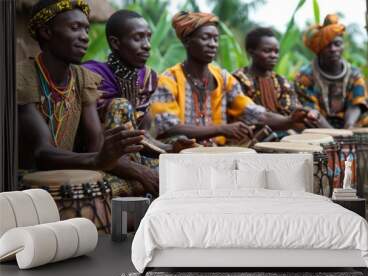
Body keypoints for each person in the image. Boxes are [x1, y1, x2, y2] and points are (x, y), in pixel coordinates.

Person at [18, 0, 158, 197]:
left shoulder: (83, 78)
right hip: (29, 180)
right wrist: (103, 161)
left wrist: (130, 165)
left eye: (86, 29)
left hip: (77, 170)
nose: (84, 37)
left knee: (149, 179)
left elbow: (95, 145)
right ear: (46, 32)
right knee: (127, 186)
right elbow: (42, 152)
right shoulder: (23, 76)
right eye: (75, 28)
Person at [150, 11, 300, 146]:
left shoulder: (223, 78)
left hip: (218, 152)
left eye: (215, 39)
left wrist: (290, 120)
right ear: (187, 42)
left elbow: (254, 113)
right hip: (181, 156)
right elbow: (168, 127)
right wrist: (221, 129)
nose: (213, 44)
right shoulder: (169, 79)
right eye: (205, 38)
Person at [83, 10, 194, 170]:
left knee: (182, 147)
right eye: (138, 38)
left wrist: (169, 148)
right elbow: (96, 142)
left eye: (148, 37)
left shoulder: (147, 78)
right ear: (115, 43)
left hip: (136, 156)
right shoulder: (92, 75)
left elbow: (143, 135)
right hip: (101, 161)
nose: (147, 45)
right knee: (120, 106)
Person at [233, 27, 320, 133]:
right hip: (249, 137)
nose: (274, 56)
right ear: (251, 52)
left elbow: (292, 110)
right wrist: (289, 121)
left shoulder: (281, 81)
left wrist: (307, 113)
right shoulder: (238, 79)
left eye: (276, 52)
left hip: (284, 134)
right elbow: (249, 115)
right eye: (267, 51)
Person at [294, 14, 368, 129]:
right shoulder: (305, 76)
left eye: (337, 44)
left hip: (348, 125)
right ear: (319, 49)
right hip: (316, 126)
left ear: (343, 46)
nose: (333, 49)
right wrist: (335, 135)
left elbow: (356, 105)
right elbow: (311, 112)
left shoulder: (355, 75)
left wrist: (348, 128)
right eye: (327, 45)